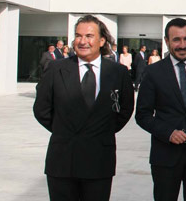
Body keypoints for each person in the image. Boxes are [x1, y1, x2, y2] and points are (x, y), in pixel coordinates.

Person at [33, 14, 134, 201]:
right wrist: (64, 129)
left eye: (89, 36)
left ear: (102, 40)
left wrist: (100, 131)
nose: (82, 41)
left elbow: (125, 109)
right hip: (63, 159)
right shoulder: (56, 69)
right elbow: (41, 109)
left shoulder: (117, 72)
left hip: (99, 158)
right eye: (78, 36)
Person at [135, 18, 186, 201]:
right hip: (165, 156)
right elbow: (142, 115)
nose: (182, 45)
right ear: (166, 41)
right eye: (176, 40)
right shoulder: (153, 72)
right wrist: (168, 133)